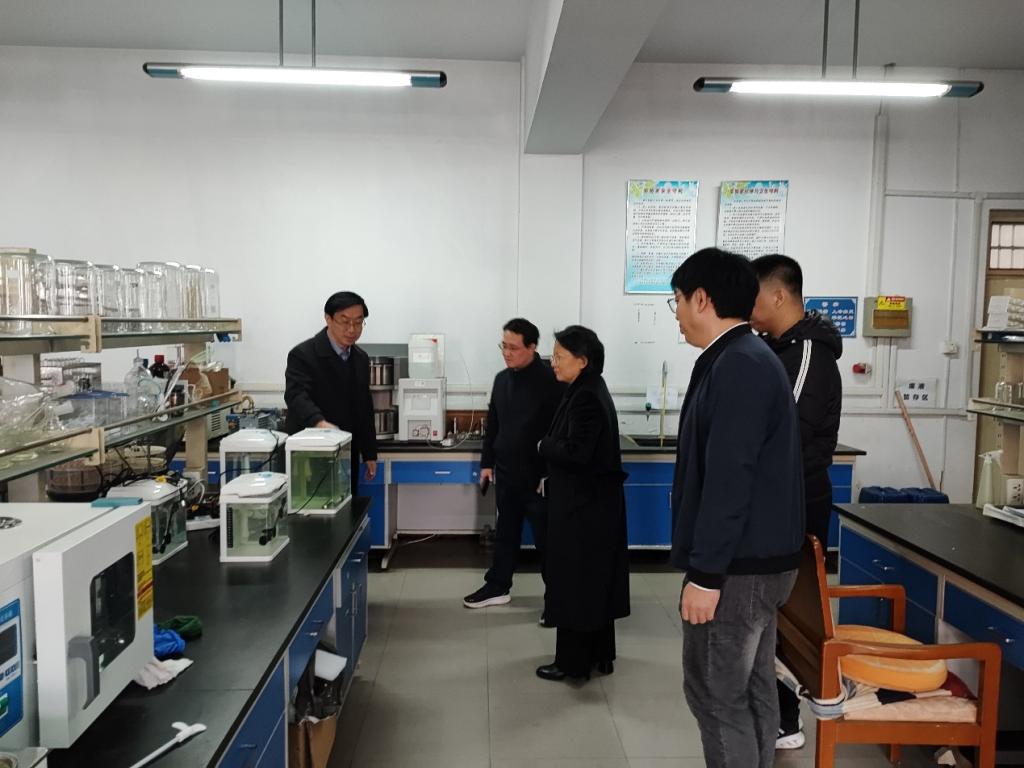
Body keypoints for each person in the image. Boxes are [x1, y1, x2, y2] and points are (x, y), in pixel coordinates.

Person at [669, 248, 804, 768]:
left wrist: (706, 575)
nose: (678, 314)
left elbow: (730, 479)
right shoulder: (744, 356)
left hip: (738, 569)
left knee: (715, 693)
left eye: (678, 301)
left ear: (702, 299)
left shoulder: (739, 364)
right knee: (750, 687)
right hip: (755, 562)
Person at [750, 253, 843, 749]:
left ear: (779, 295)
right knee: (769, 612)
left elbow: (782, 433)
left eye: (753, 296)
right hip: (776, 503)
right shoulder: (776, 349)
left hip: (797, 503)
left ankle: (786, 718)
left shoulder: (808, 354)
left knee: (790, 613)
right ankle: (771, 710)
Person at [535, 325, 629, 682]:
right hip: (594, 506)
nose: (553, 362)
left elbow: (577, 452)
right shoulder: (588, 388)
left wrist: (543, 446)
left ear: (582, 361)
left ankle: (572, 663)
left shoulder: (585, 396)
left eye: (559, 356)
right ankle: (601, 655)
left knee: (575, 585)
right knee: (595, 583)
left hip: (582, 509)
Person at [463, 318, 564, 612]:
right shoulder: (502, 379)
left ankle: (557, 600)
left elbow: (559, 430)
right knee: (505, 533)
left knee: (548, 541)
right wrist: (486, 463)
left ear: (532, 347)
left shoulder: (551, 381)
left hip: (538, 478)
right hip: (507, 474)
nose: (507, 353)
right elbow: (493, 424)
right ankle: (498, 586)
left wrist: (549, 472)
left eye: (514, 348)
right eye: (503, 346)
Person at [284, 291, 378, 495]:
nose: (352, 329)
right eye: (345, 322)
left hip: (346, 450)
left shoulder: (360, 358)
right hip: (310, 453)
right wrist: (319, 423)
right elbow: (296, 396)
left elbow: (364, 406)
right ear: (328, 319)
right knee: (311, 507)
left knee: (346, 505)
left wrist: (369, 452)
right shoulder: (303, 355)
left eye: (358, 322)